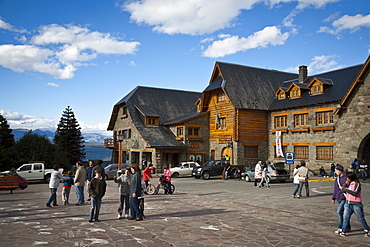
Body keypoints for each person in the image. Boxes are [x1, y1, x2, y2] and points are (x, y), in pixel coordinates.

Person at [339, 172, 370, 237]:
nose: (347, 179)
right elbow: (343, 190)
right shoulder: (349, 184)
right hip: (348, 203)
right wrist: (345, 184)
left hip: (356, 204)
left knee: (360, 218)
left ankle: (367, 229)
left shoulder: (357, 184)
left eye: (348, 178)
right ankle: (343, 231)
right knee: (346, 218)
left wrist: (345, 189)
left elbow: (355, 193)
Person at [332, 165, 351, 235]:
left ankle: (341, 227)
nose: (335, 172)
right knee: (344, 213)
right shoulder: (337, 178)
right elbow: (335, 188)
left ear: (340, 171)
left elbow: (349, 187)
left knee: (339, 212)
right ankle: (347, 227)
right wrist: (333, 197)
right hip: (338, 198)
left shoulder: (346, 178)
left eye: (336, 170)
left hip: (344, 197)